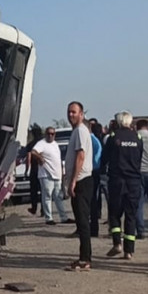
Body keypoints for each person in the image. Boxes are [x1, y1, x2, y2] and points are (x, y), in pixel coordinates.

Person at [105, 112, 143, 259]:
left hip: (117, 181)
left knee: (114, 214)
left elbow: (105, 158)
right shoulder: (137, 137)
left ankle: (116, 243)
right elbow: (140, 156)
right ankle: (129, 251)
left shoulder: (113, 137)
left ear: (118, 122)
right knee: (131, 216)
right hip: (134, 182)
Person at [64, 102, 94, 270]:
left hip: (82, 181)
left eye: (74, 112)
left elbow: (80, 156)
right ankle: (84, 256)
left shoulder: (81, 131)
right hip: (79, 180)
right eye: (69, 112)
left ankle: (85, 259)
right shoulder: (76, 131)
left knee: (83, 221)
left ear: (81, 114)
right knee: (81, 221)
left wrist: (74, 181)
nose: (71, 115)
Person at [32, 126, 69, 224]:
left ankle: (63, 217)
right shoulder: (41, 143)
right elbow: (33, 152)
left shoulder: (55, 144)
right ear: (45, 134)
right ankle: (48, 218)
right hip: (46, 174)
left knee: (58, 197)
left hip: (57, 175)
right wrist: (39, 158)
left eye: (52, 134)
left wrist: (62, 173)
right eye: (48, 133)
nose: (50, 135)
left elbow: (59, 159)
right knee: (47, 196)